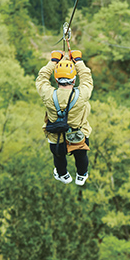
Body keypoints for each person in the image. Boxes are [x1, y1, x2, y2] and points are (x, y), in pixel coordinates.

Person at [36, 50, 93, 185]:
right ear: (74, 79)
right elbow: (86, 77)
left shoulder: (47, 94)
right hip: (78, 134)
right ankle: (81, 175)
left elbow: (42, 77)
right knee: (81, 156)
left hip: (56, 138)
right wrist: (78, 60)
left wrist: (53, 61)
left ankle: (63, 175)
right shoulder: (82, 94)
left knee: (59, 156)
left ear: (56, 80)